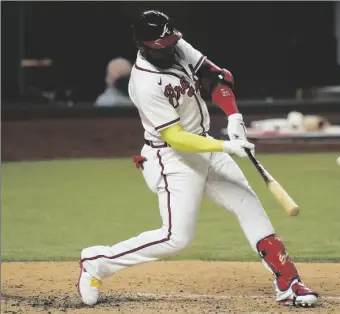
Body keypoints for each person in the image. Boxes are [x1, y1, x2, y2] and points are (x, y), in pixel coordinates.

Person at [77, 10, 319, 308]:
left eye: (170, 39)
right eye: (162, 44)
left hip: (204, 144)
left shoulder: (177, 47)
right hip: (172, 158)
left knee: (248, 204)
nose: (170, 46)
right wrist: (226, 147)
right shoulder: (145, 83)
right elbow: (176, 137)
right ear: (144, 45)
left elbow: (215, 77)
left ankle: (289, 282)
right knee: (175, 238)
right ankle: (96, 263)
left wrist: (234, 118)